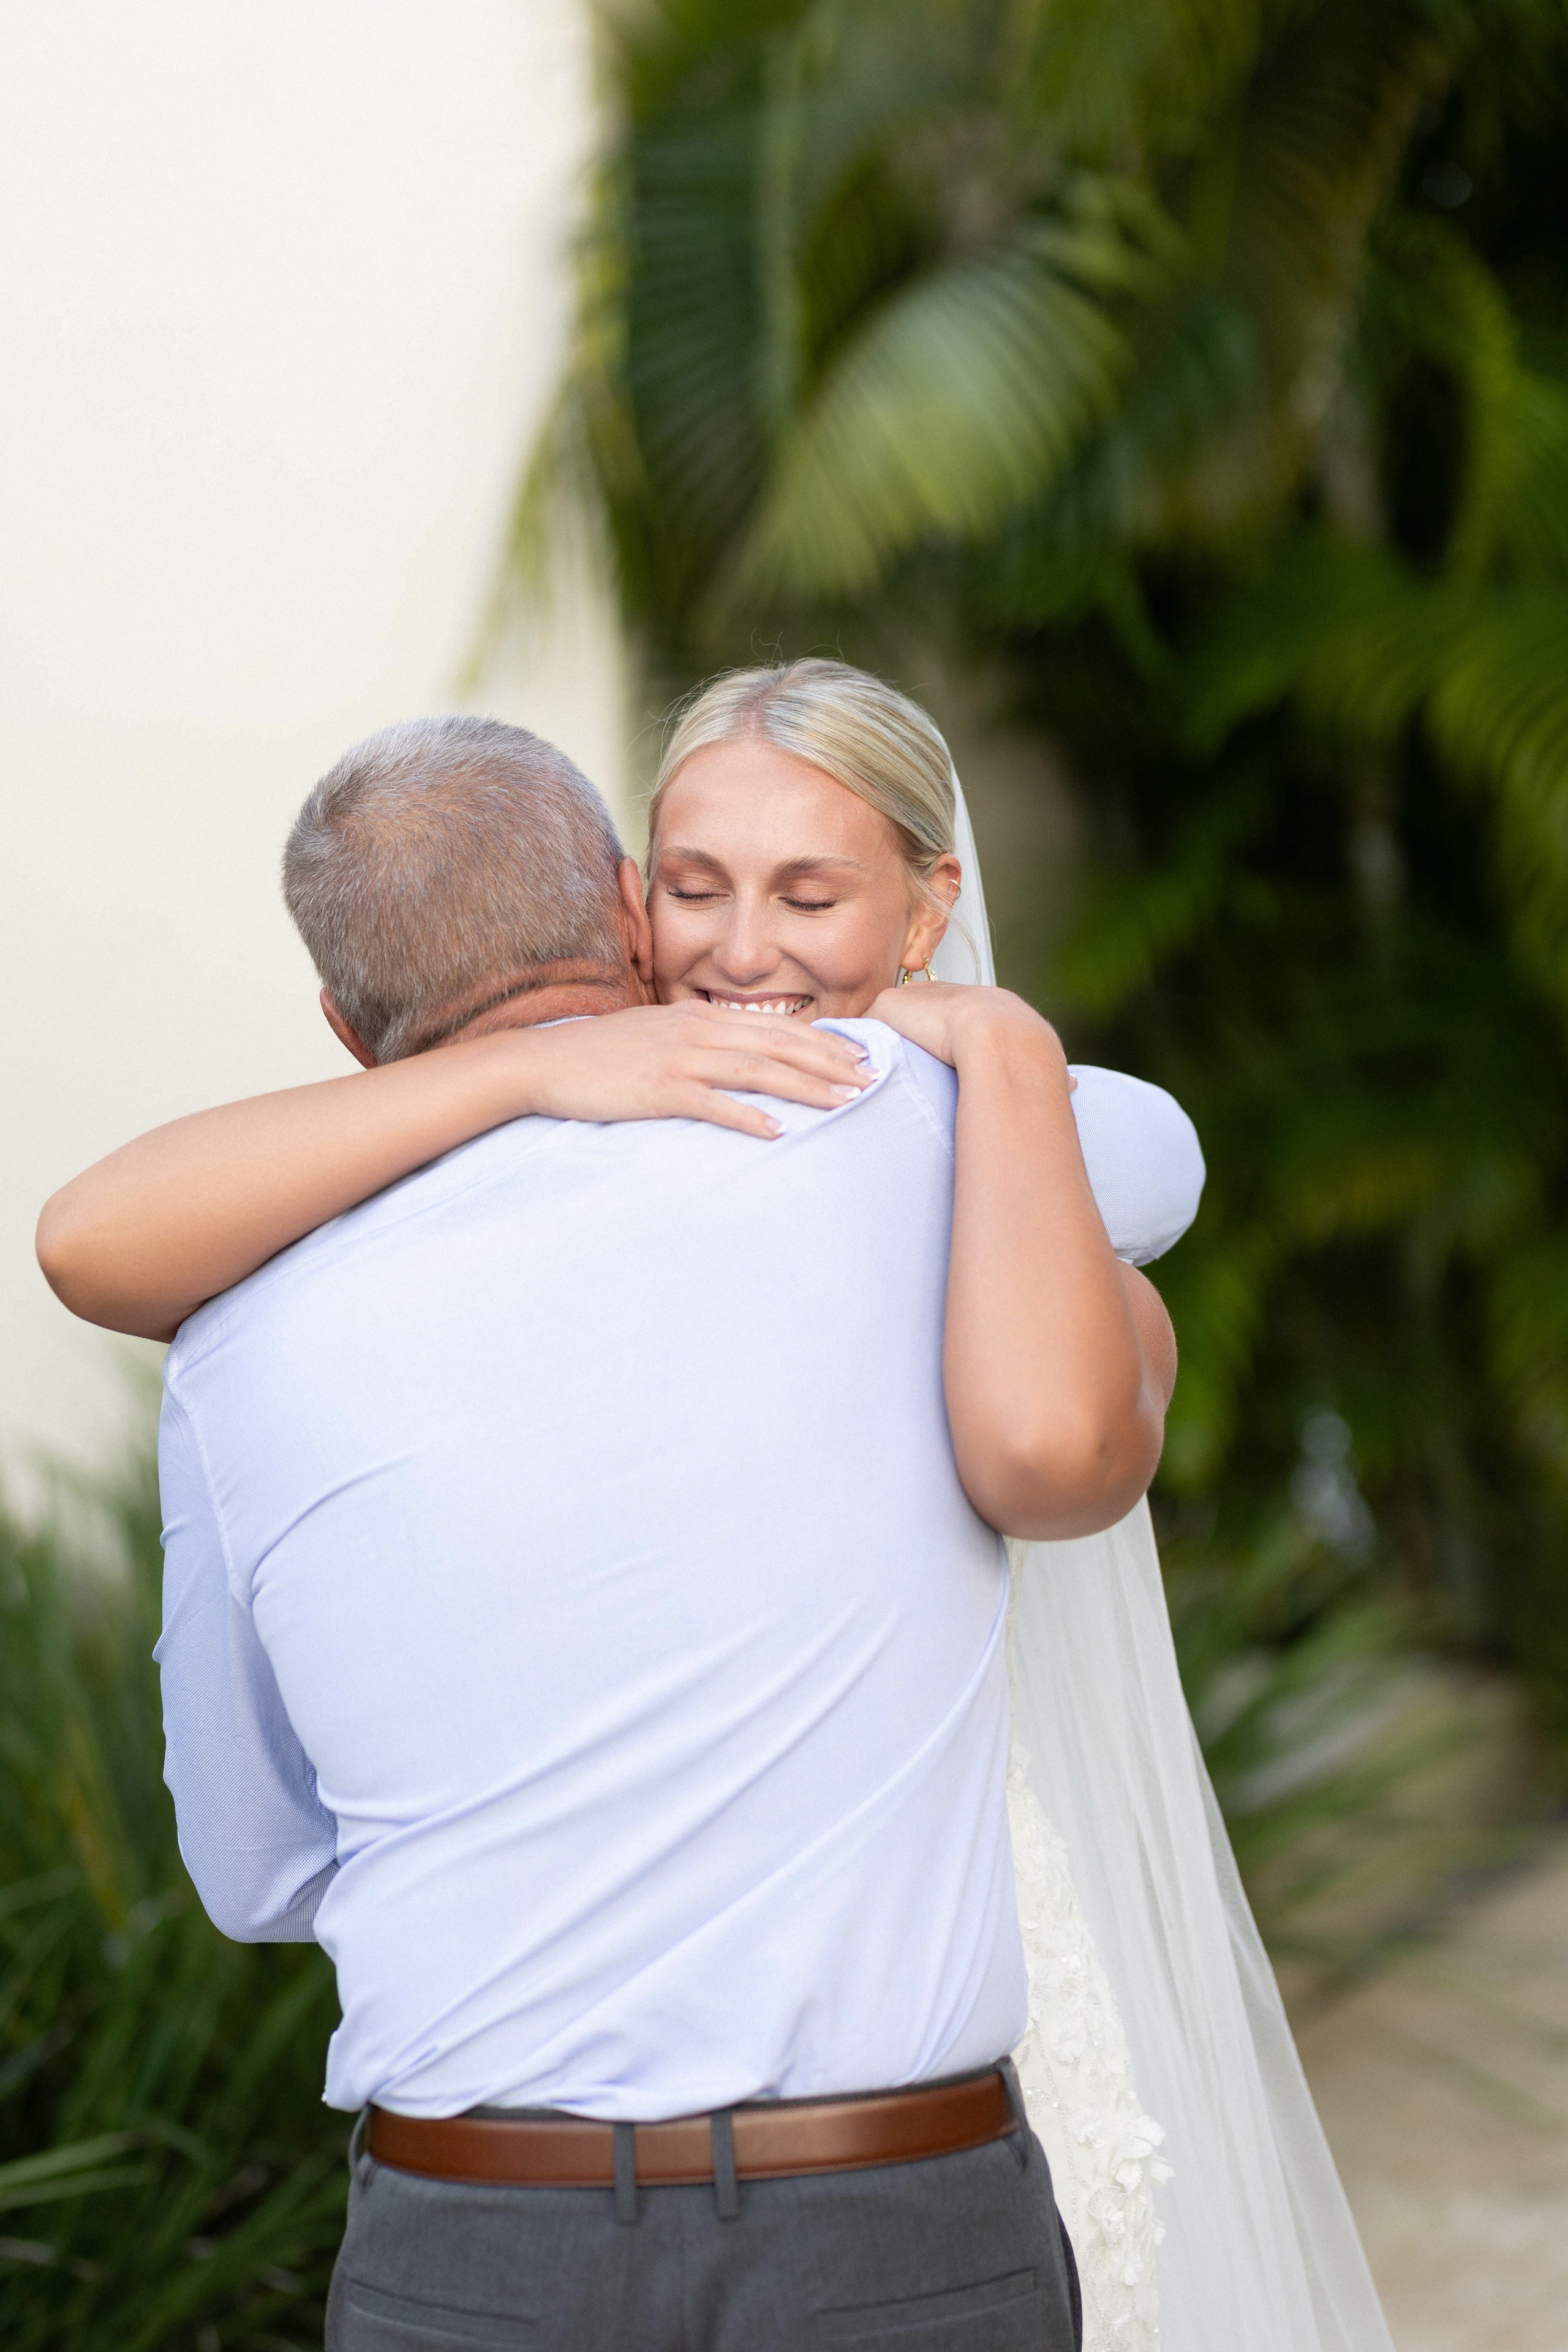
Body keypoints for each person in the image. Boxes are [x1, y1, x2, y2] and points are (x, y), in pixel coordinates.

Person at [40, 662, 1395, 2352]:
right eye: (702, 889)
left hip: (477, 2252)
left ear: (340, 1033)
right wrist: (970, 1035)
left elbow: (258, 1873)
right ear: (628, 906)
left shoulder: (234, 1325)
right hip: (893, 2233)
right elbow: (1152, 1166)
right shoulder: (902, 1120)